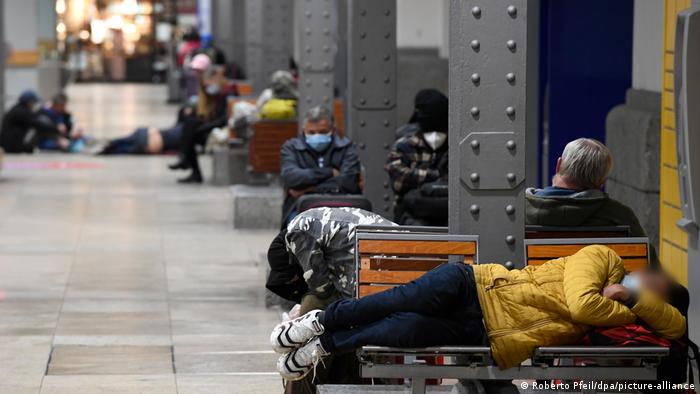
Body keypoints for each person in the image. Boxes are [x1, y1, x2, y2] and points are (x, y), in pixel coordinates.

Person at [270, 245, 688, 381]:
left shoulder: (628, 314)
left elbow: (679, 326)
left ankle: (326, 344)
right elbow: (581, 304)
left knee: (406, 329)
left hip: (488, 334)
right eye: (652, 278)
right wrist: (622, 303)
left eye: (658, 291)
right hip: (473, 285)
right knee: (392, 303)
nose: (649, 280)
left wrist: (634, 303)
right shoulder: (603, 257)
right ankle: (322, 320)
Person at [267, 207, 396, 393]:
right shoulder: (320, 219)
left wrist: (298, 316)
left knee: (312, 311)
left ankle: (301, 389)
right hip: (401, 272)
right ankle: (346, 381)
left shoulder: (297, 230)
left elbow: (322, 288)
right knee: (332, 319)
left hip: (377, 284)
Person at [526, 138, 649, 239]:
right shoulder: (619, 216)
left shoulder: (523, 208)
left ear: (558, 165)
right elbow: (649, 264)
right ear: (601, 182)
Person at [280, 106, 362, 226]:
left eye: (322, 132)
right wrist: (329, 172)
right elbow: (291, 178)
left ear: (332, 130)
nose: (317, 136)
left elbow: (348, 182)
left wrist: (306, 189)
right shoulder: (291, 147)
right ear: (304, 130)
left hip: (342, 208)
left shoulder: (347, 147)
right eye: (311, 133)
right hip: (300, 209)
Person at [385, 89, 449, 226]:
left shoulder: (454, 146)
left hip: (447, 214)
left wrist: (419, 179)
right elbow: (399, 181)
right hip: (411, 215)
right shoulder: (404, 145)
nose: (435, 134)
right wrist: (437, 176)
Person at [169, 54, 234, 183]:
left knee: (191, 130)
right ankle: (187, 160)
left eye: (199, 71)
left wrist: (202, 126)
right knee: (189, 123)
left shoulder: (224, 90)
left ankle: (187, 161)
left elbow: (223, 118)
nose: (196, 74)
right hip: (212, 124)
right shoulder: (205, 89)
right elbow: (204, 111)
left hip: (222, 126)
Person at [230, 70, 298, 138]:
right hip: (288, 138)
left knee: (239, 107)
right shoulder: (297, 99)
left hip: (263, 137)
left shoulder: (268, 94)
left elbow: (257, 112)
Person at [0, 90, 67, 153]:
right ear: (29, 102)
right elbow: (39, 124)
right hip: (14, 147)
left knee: (43, 123)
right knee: (42, 124)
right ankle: (61, 142)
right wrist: (57, 128)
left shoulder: (18, 110)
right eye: (33, 103)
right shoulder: (21, 112)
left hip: (10, 145)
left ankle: (61, 141)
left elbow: (35, 118)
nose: (34, 105)